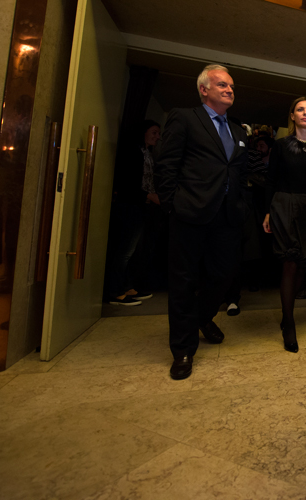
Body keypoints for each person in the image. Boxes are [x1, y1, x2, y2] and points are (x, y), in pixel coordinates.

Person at [154, 64, 249, 380]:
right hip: (189, 214)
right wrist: (172, 205)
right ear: (204, 89)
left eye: (231, 86)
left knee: (223, 275)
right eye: (222, 85)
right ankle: (183, 349)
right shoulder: (184, 118)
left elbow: (239, 173)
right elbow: (166, 165)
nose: (229, 90)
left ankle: (201, 317)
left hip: (227, 217)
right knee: (183, 282)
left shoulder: (237, 131)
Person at [262, 97, 306, 353]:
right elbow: (270, 180)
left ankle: (287, 311)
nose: (305, 113)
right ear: (292, 116)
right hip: (284, 205)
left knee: (305, 262)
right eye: (300, 109)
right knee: (290, 261)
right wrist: (267, 211)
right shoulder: (281, 145)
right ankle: (289, 322)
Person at [104, 120, 162, 306]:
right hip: (131, 204)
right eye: (154, 132)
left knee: (135, 249)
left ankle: (127, 286)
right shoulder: (133, 152)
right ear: (143, 132)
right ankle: (115, 291)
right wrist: (149, 195)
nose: (157, 137)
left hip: (142, 204)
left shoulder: (147, 153)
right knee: (125, 250)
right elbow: (128, 182)